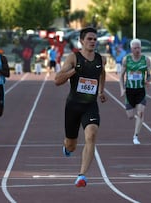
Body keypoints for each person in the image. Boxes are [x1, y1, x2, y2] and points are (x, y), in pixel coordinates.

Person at [54, 27, 107, 187]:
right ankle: (67, 147)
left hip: (90, 105)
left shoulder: (101, 59)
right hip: (73, 106)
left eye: (94, 39)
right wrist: (73, 72)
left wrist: (101, 91)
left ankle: (82, 175)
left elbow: (102, 73)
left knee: (91, 135)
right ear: (82, 41)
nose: (92, 42)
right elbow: (57, 80)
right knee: (72, 144)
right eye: (89, 39)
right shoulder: (73, 58)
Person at [119, 39, 151, 145]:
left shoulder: (146, 59)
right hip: (129, 90)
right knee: (130, 116)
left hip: (141, 90)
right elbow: (121, 76)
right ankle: (130, 110)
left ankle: (135, 136)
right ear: (131, 49)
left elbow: (149, 74)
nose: (137, 50)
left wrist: (148, 80)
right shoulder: (126, 59)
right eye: (135, 48)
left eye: (139, 48)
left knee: (141, 112)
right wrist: (122, 88)